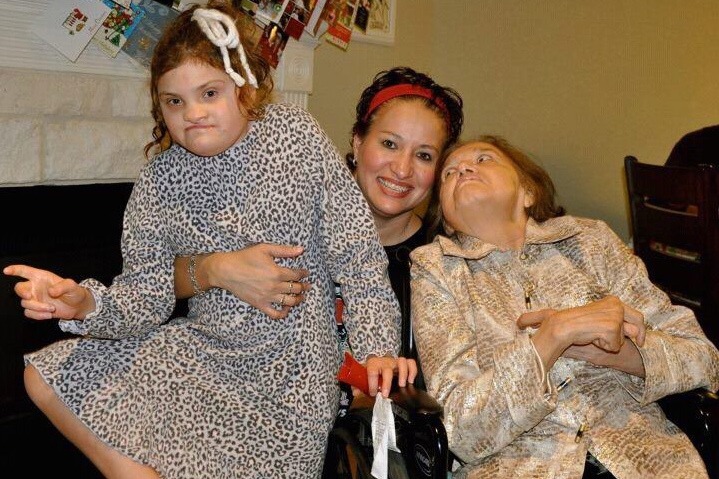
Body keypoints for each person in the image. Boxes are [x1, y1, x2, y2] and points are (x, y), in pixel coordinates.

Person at [2, 3, 404, 478]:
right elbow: (144, 299)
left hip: (292, 376)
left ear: (244, 86)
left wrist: (377, 347)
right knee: (45, 374)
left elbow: (357, 255)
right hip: (202, 353)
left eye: (209, 92)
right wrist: (84, 303)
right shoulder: (159, 179)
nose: (192, 113)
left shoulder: (296, 135)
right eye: (174, 101)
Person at [411, 135, 719, 478]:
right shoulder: (436, 269)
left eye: (484, 159)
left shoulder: (591, 241)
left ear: (528, 192)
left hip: (645, 459)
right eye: (448, 174)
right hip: (517, 466)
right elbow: (462, 432)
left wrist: (617, 355)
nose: (463, 168)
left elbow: (703, 358)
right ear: (448, 220)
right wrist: (552, 337)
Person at [173, 66, 465, 382]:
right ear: (357, 142)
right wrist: (214, 269)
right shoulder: (282, 212)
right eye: (390, 144)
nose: (402, 168)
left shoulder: (442, 264)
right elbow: (151, 287)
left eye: (423, 156)